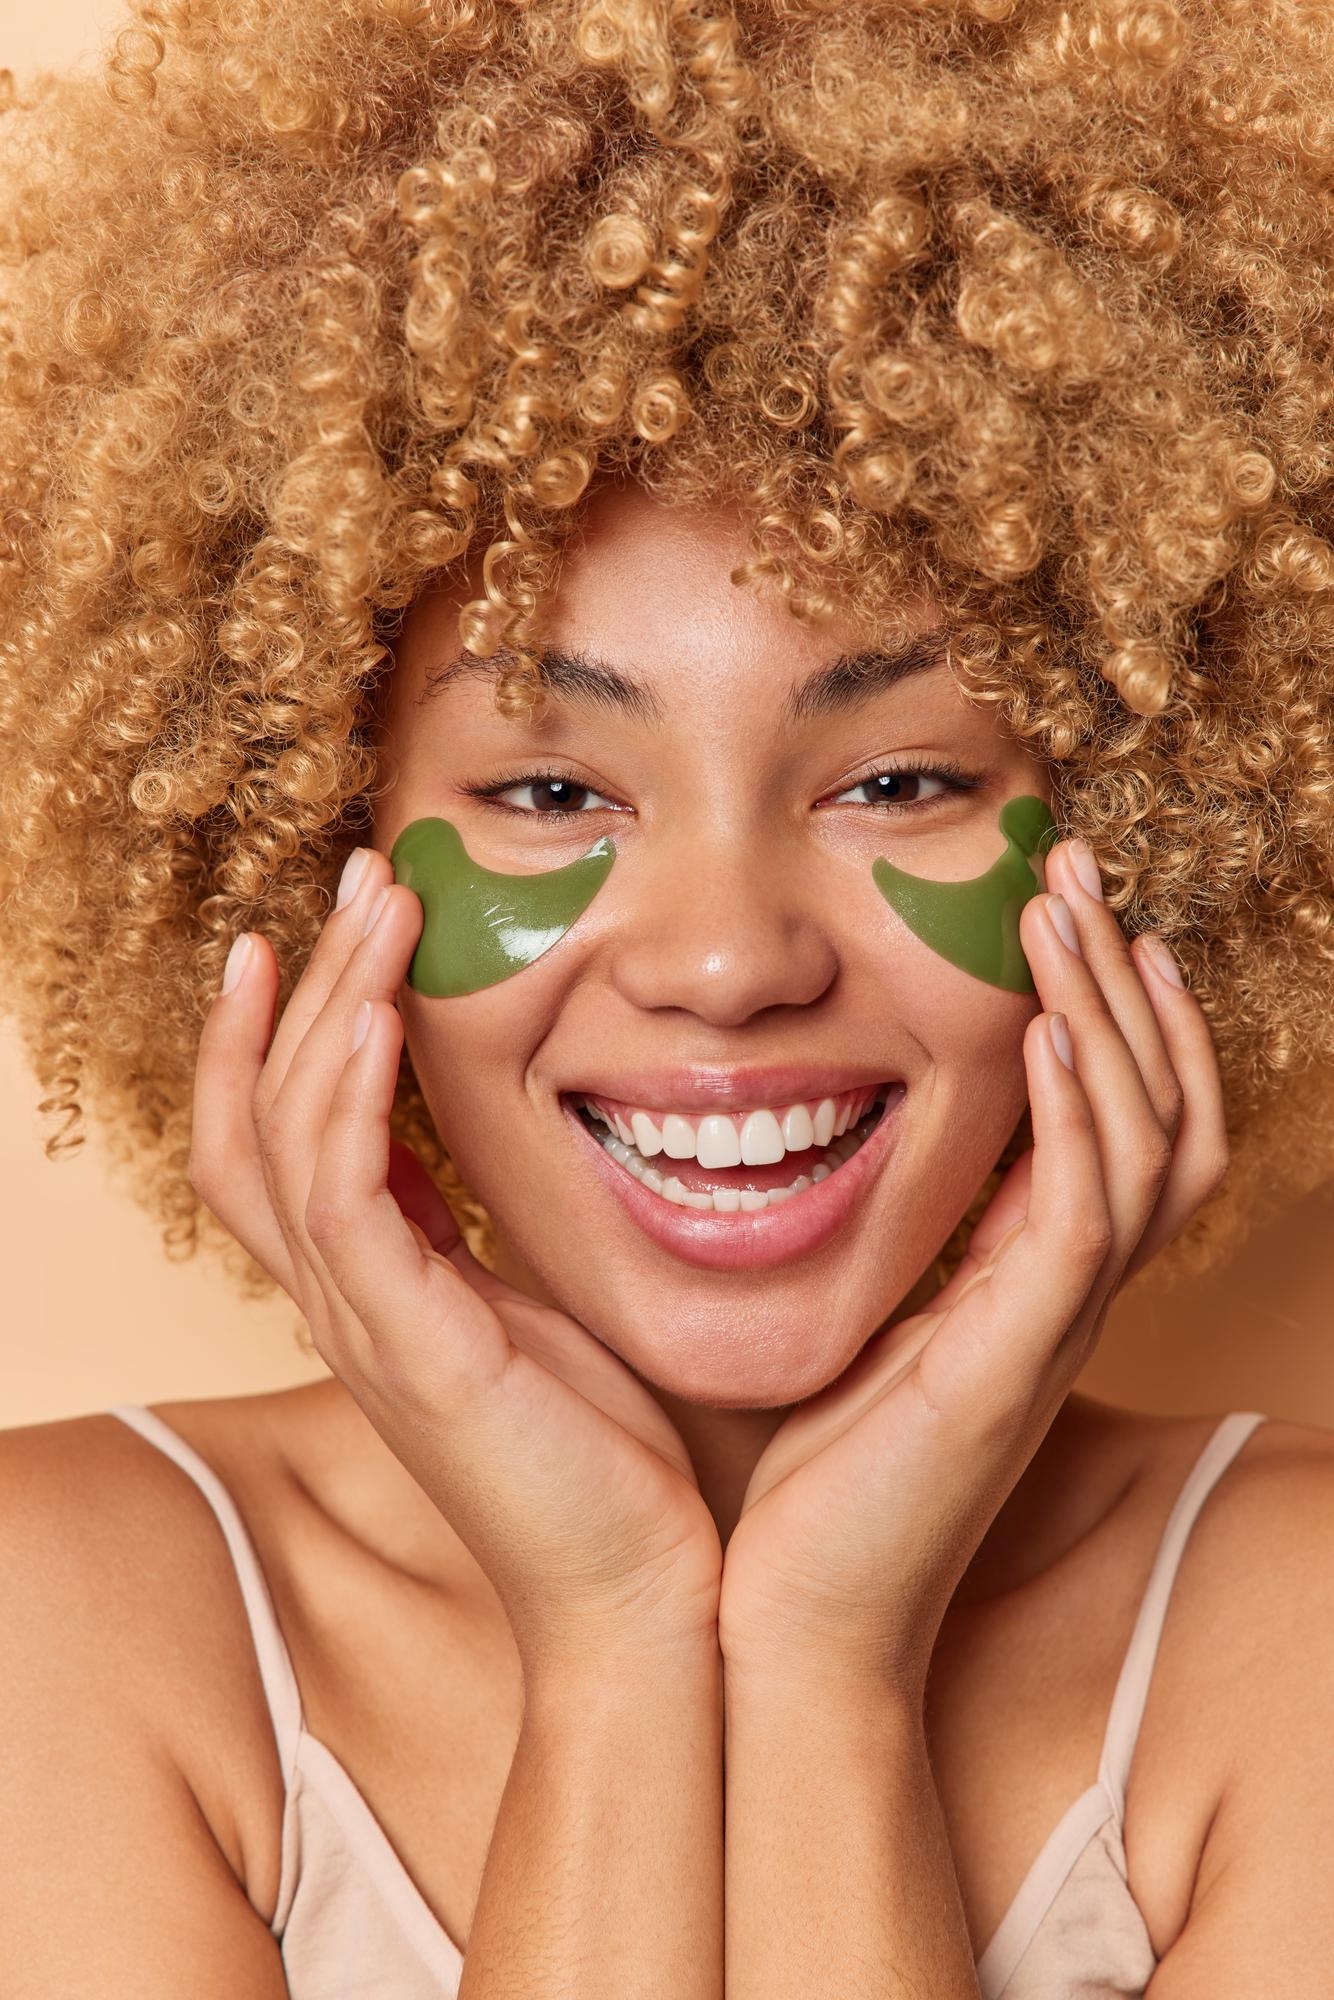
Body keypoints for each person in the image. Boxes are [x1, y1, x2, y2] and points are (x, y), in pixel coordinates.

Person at [1, 1, 1332, 1994]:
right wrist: (618, 1632)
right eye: (546, 790)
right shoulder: (64, 1617)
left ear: (1142, 844)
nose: (728, 962)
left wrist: (822, 1658)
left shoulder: (1295, 1626)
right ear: (303, 861)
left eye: (898, 781)